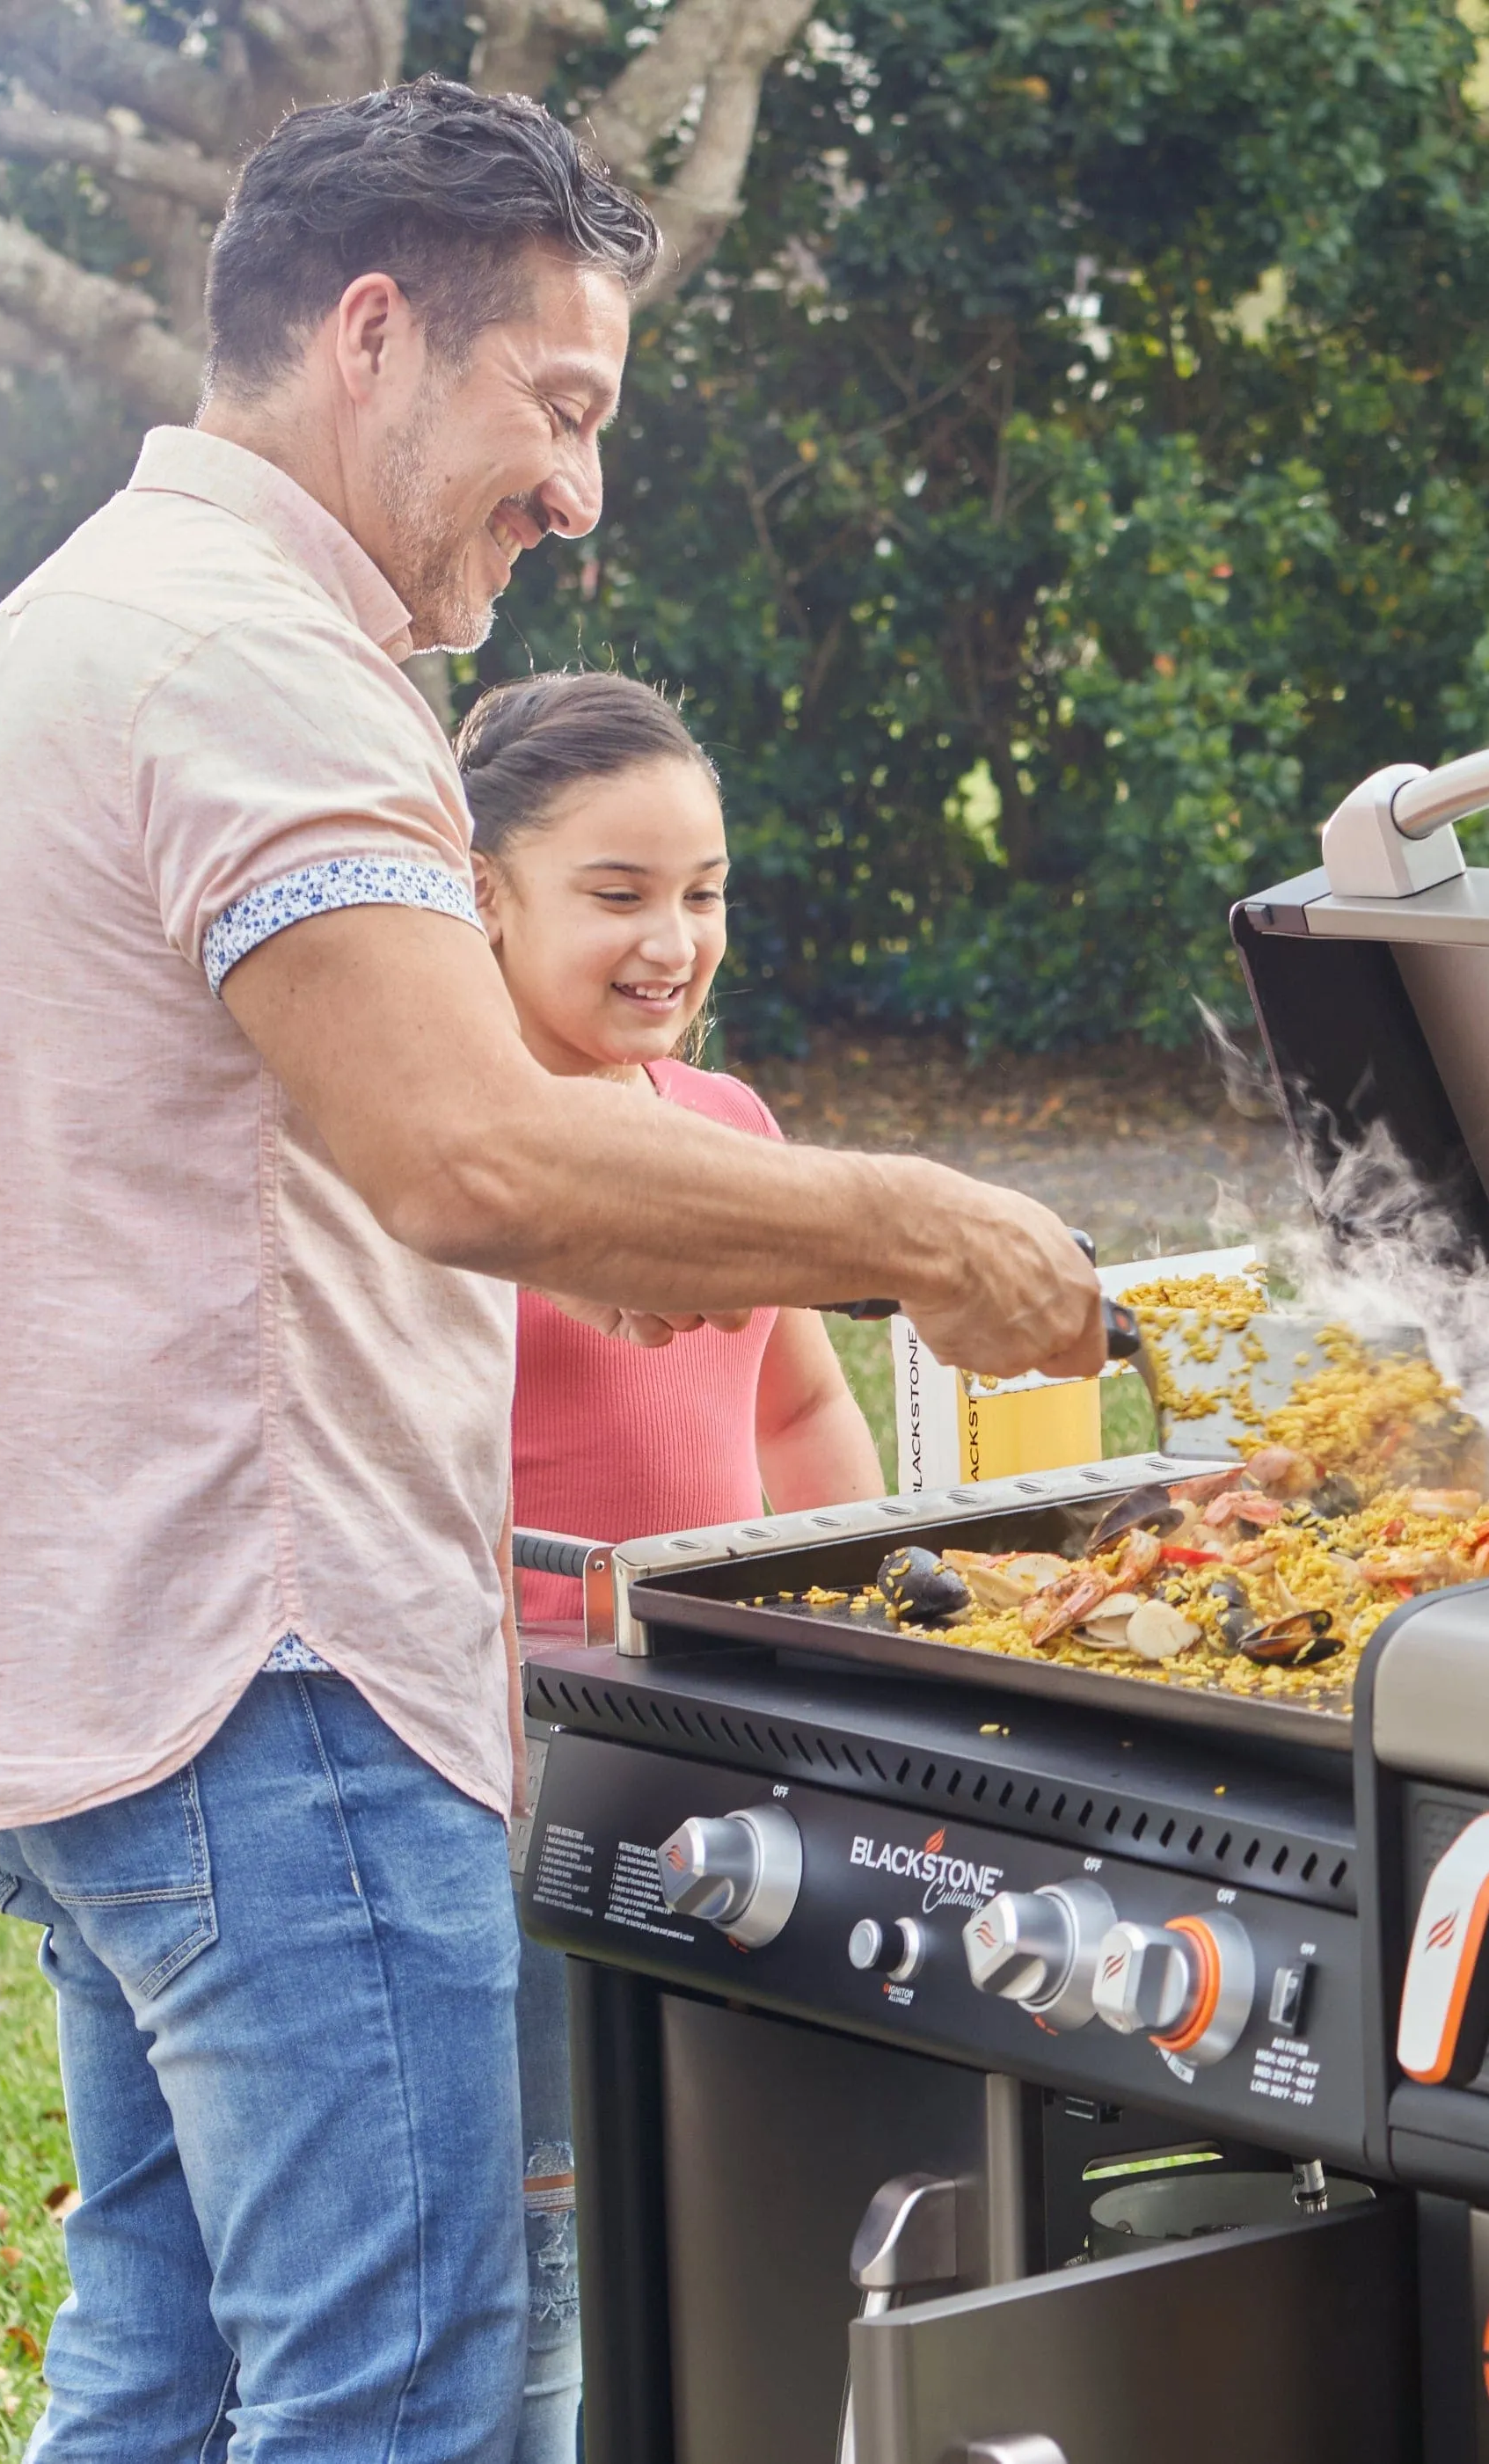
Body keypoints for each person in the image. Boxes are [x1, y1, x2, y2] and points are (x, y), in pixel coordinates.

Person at [0, 78, 1106, 2464]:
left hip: (81, 1665)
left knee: (159, 2369)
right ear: (371, 337)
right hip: (275, 1682)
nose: (583, 488)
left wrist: (642, 1227)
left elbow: (279, 1147)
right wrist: (914, 1230)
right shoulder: (257, 660)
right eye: (559, 405)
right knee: (404, 2395)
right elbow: (462, 1154)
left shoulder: (74, 628)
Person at [452, 666, 889, 2457]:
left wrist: (854, 1642)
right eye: (616, 894)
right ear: (484, 897)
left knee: (713, 2221)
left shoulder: (728, 1132)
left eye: (701, 892)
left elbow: (795, 1413)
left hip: (723, 1765)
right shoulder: (449, 1171)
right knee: (545, 2266)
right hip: (528, 1782)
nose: (672, 943)